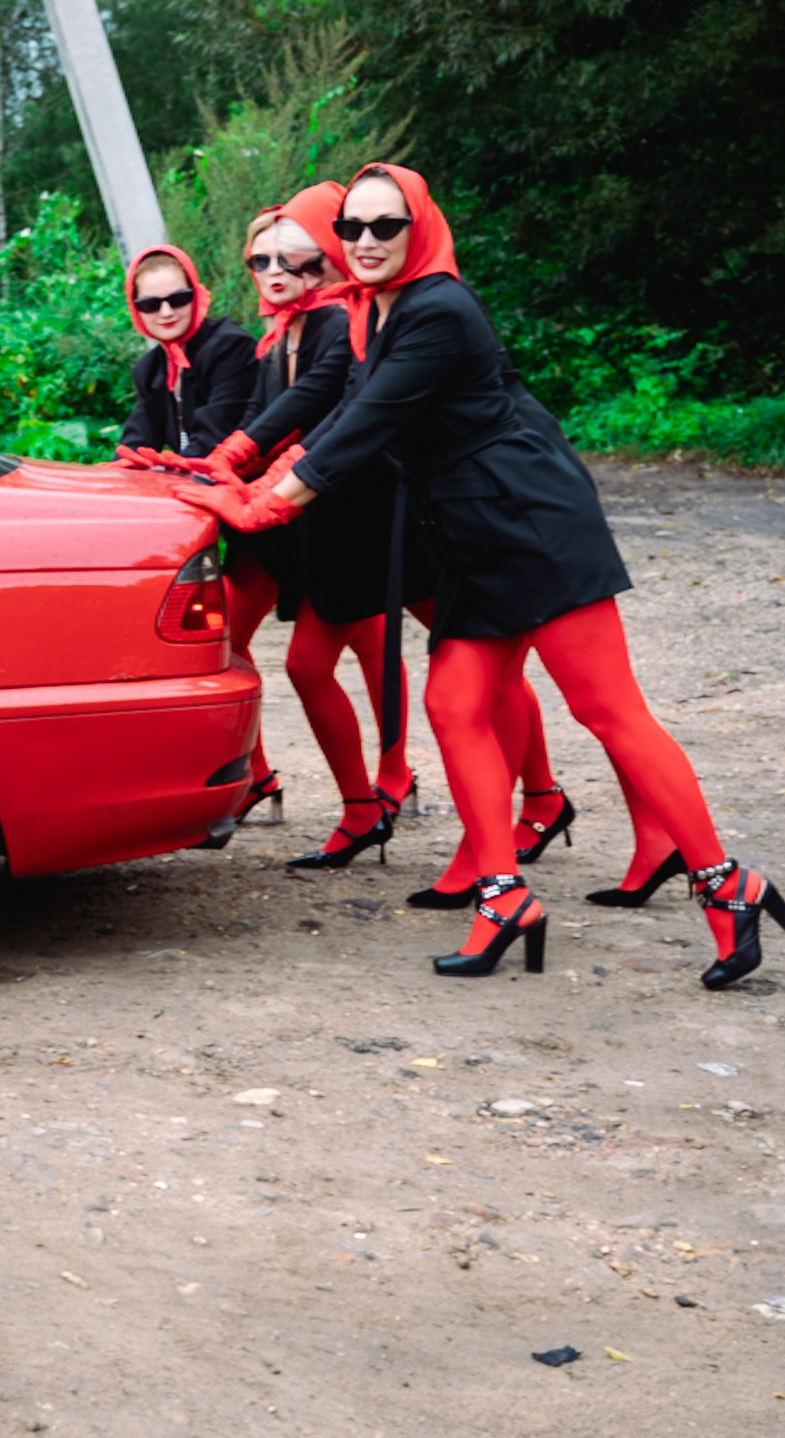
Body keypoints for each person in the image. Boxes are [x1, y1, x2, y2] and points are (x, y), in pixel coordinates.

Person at [178, 164, 779, 988]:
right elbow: (335, 408)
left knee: (608, 709)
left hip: (532, 522)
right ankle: (504, 896)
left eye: (385, 226)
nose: (365, 241)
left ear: (419, 227)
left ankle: (725, 881)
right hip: (467, 531)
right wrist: (238, 470)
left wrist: (262, 507)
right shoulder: (374, 312)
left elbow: (364, 423)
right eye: (352, 228)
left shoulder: (439, 309)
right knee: (455, 703)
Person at [198, 186, 566, 888]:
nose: (279, 272)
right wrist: (230, 463)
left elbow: (339, 415)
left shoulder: (359, 317)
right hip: (334, 514)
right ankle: (372, 804)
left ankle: (533, 799)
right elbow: (292, 410)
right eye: (261, 260)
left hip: (390, 513)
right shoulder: (290, 331)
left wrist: (260, 481)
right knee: (319, 664)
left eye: (297, 259)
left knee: (489, 669)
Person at [109, 245, 268, 815]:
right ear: (136, 310)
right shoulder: (151, 367)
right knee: (231, 649)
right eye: (150, 304)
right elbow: (134, 444)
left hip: (276, 512)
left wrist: (163, 467)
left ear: (197, 295)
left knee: (360, 651)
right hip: (229, 521)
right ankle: (258, 777)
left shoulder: (229, 347)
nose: (166, 311)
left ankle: (393, 779)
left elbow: (213, 436)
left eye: (177, 298)